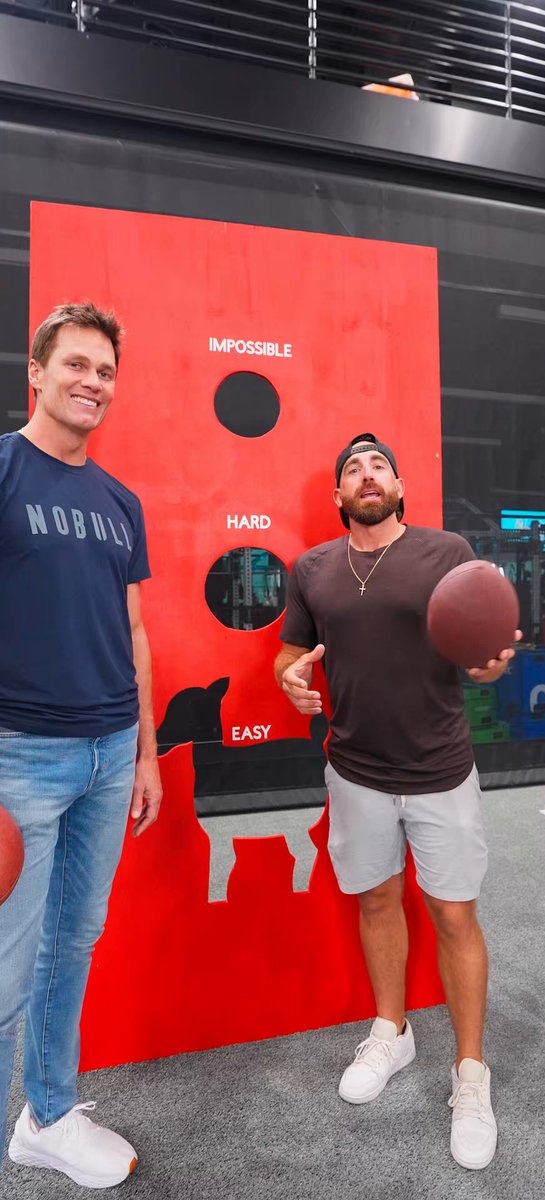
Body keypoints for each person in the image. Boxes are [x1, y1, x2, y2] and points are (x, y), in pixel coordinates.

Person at [275, 432, 518, 1171]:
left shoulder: (446, 552)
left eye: (378, 464)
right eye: (353, 468)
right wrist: (290, 678)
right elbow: (291, 653)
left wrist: (491, 665)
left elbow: (480, 659)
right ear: (339, 495)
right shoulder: (312, 569)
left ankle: (470, 1074)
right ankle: (393, 1031)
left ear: (400, 486)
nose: (366, 473)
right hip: (354, 771)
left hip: (439, 770)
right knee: (377, 901)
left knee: (454, 915)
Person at [0, 301, 162, 1187]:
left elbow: (132, 629)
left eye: (105, 370)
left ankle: (49, 1114)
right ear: (37, 372)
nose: (92, 382)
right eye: (76, 364)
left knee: (73, 942)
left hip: (109, 752)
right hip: (18, 756)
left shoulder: (119, 502)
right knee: (3, 976)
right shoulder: (2, 469)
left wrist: (143, 752)